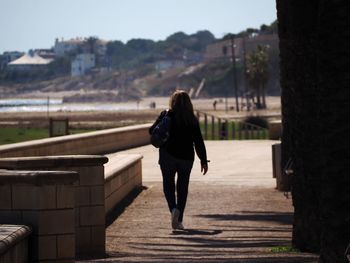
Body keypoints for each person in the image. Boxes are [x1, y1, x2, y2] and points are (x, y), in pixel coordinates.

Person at [149, 90, 208, 230]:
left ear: (172, 101)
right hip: (186, 158)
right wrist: (203, 160)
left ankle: (173, 209)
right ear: (188, 103)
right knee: (182, 189)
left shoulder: (166, 114)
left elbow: (152, 131)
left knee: (168, 187)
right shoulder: (191, 119)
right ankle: (179, 220)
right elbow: (198, 141)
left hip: (167, 156)